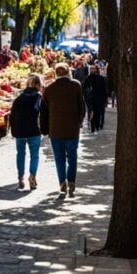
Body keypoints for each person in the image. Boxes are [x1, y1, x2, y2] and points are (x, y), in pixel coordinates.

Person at [41, 63, 86, 197]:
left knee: (59, 158)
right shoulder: (76, 85)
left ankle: (62, 182)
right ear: (68, 72)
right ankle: (71, 181)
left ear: (55, 73)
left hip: (55, 129)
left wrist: (44, 129)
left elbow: (44, 111)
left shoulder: (49, 89)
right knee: (72, 157)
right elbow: (81, 106)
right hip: (72, 129)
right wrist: (80, 121)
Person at [10, 74, 43, 191]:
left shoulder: (19, 98)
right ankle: (32, 176)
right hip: (34, 130)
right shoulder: (39, 97)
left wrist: (13, 131)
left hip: (20, 131)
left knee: (20, 154)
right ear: (38, 85)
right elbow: (43, 114)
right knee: (34, 155)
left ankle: (20, 178)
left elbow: (12, 116)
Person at [83, 64, 107, 133]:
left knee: (98, 113)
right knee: (92, 112)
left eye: (93, 68)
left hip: (99, 98)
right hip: (91, 99)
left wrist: (104, 99)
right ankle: (93, 126)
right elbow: (85, 88)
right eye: (91, 69)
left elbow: (104, 89)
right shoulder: (88, 78)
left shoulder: (101, 78)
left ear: (96, 69)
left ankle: (98, 125)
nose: (91, 70)